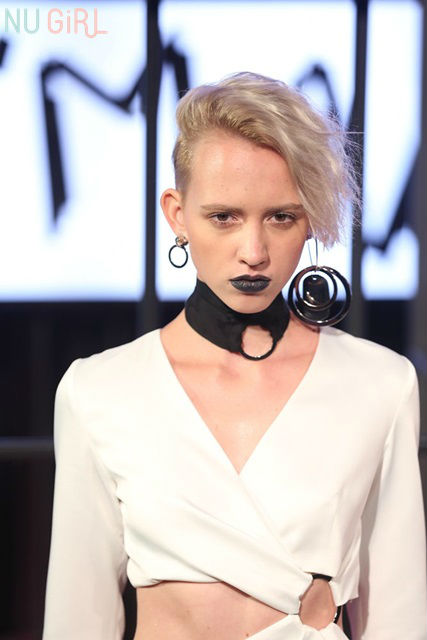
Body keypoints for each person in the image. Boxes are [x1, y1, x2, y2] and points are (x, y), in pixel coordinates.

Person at [42, 72, 427, 640]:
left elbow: (400, 617)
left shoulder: (379, 383)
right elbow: (77, 620)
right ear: (177, 215)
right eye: (224, 217)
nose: (254, 252)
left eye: (281, 217)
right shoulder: (100, 391)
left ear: (310, 218)